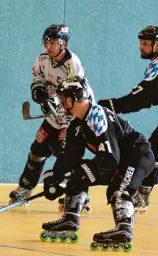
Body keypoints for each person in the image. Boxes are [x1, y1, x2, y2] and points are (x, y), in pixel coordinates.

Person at [40, 77, 155, 252]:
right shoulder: (77, 124)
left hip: (138, 154)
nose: (61, 103)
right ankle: (70, 219)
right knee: (76, 172)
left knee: (119, 189)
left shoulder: (96, 115)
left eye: (63, 99)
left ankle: (124, 229)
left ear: (73, 98)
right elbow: (69, 157)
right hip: (118, 159)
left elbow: (110, 159)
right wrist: (53, 177)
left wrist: (79, 173)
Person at [9, 24, 92, 212]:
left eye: (53, 42)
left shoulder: (73, 64)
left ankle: (77, 195)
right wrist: (39, 91)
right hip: (54, 114)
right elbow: (37, 75)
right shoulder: (43, 57)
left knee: (67, 155)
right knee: (37, 150)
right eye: (46, 41)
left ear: (63, 43)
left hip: (73, 116)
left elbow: (76, 96)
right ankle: (25, 188)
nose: (48, 46)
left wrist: (63, 118)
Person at [98, 26, 158, 213]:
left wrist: (109, 105)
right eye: (140, 43)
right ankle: (143, 194)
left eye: (145, 44)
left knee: (151, 154)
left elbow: (141, 99)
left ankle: (142, 195)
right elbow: (150, 98)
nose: (140, 47)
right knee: (153, 153)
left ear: (157, 44)